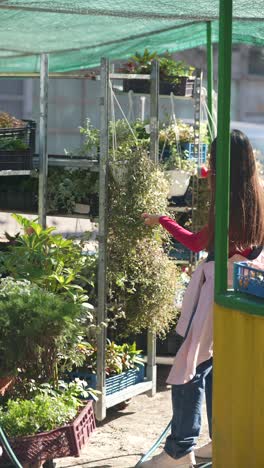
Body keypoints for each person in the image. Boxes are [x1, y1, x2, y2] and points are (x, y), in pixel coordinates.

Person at [139, 130, 264, 468]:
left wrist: (162, 220)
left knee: (189, 368)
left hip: (215, 293)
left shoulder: (227, 200)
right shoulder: (257, 195)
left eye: (212, 159)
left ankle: (180, 451)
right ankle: (218, 442)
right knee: (214, 369)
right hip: (240, 292)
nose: (208, 165)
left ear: (222, 163)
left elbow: (197, 244)